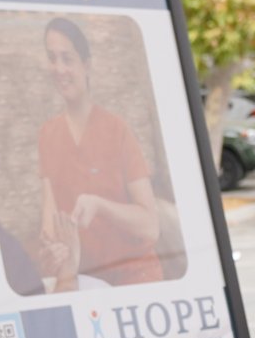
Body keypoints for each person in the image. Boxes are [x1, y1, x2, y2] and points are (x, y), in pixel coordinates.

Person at [35, 16, 169, 289]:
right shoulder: (48, 135)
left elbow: (150, 226)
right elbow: (50, 224)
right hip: (87, 282)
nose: (59, 68)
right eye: (52, 58)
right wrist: (51, 252)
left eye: (67, 58)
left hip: (135, 281)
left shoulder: (117, 130)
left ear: (86, 65)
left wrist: (100, 206)